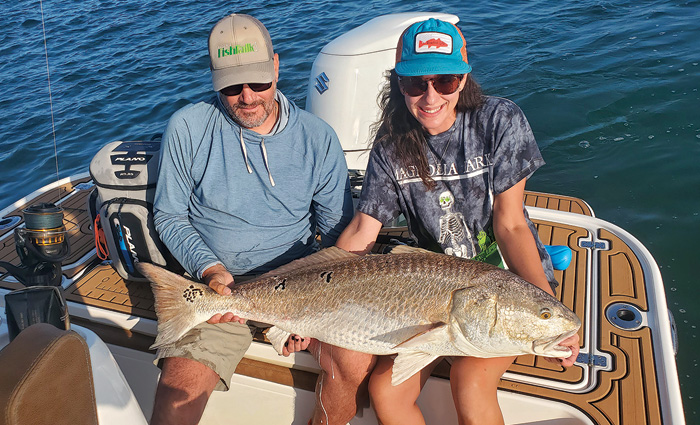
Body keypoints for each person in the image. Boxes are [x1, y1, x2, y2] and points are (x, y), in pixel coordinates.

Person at [331, 18, 581, 425]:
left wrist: (549, 313)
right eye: (415, 83)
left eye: (444, 81)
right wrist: (309, 285)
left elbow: (511, 225)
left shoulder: (501, 120)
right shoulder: (391, 145)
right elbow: (363, 230)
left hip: (503, 285)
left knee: (469, 381)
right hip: (427, 289)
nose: (430, 96)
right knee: (384, 391)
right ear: (399, 85)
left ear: (463, 79)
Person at [150, 14, 356, 425]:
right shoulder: (187, 128)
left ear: (276, 67)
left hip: (302, 288)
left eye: (258, 82)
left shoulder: (318, 138)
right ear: (214, 81)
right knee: (175, 404)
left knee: (353, 366)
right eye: (231, 86)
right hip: (220, 290)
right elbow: (169, 214)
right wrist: (211, 269)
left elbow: (336, 238)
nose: (247, 96)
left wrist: (312, 310)